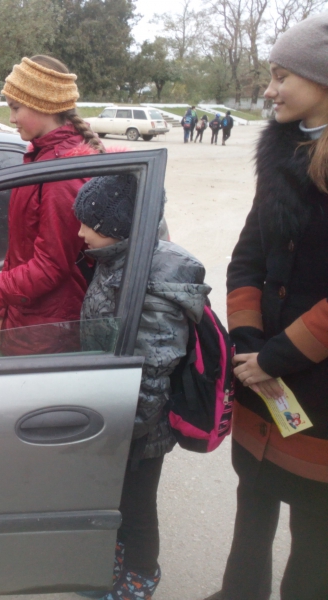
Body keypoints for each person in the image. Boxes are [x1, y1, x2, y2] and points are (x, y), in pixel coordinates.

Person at [209, 12, 328, 600]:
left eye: (282, 75)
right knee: (251, 502)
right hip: (263, 376)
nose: (268, 89)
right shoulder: (280, 150)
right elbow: (247, 256)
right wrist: (249, 343)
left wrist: (279, 356)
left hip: (318, 384)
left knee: (316, 533)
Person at [75, 174, 209, 600]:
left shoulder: (151, 280)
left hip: (139, 426)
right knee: (116, 501)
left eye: (88, 224)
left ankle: (141, 572)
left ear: (117, 227)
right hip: (116, 412)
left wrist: (121, 432)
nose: (80, 232)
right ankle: (117, 555)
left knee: (136, 506)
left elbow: (153, 370)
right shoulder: (119, 261)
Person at [0, 55, 106, 356]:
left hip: (48, 329)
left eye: (16, 108)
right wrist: (4, 308)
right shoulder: (41, 157)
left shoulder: (62, 173)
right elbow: (23, 250)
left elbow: (50, 267)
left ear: (44, 105)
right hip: (30, 315)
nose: (12, 118)